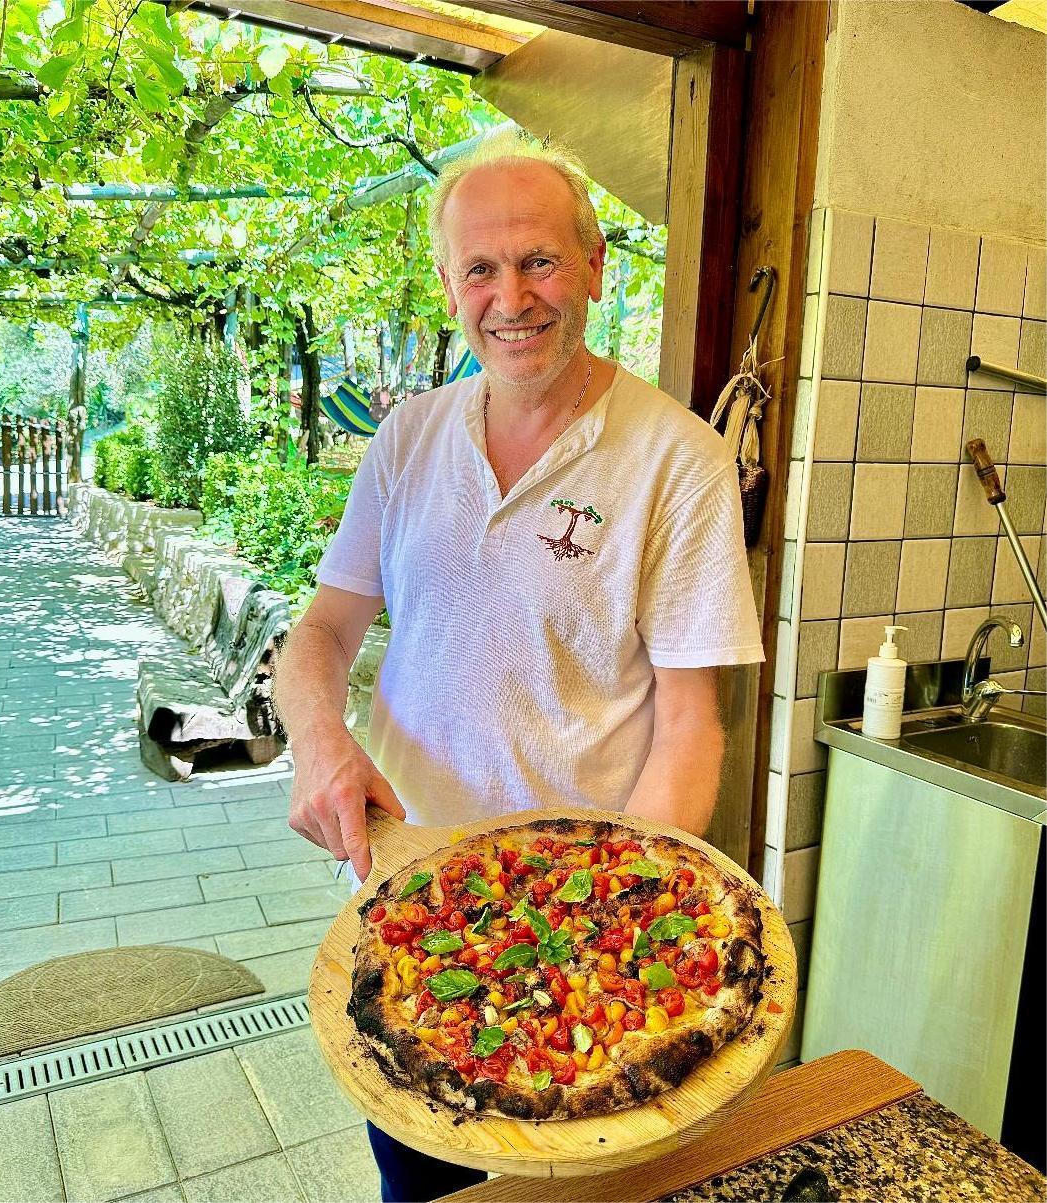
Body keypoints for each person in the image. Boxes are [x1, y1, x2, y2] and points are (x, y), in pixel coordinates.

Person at [275, 132, 763, 1202]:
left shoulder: (676, 459)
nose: (512, 298)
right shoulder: (404, 439)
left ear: (594, 269)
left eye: (539, 261)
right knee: (418, 1177)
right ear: (450, 286)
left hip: (579, 921)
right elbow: (320, 633)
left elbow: (691, 722)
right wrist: (320, 742)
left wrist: (615, 921)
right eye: (480, 269)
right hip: (402, 890)